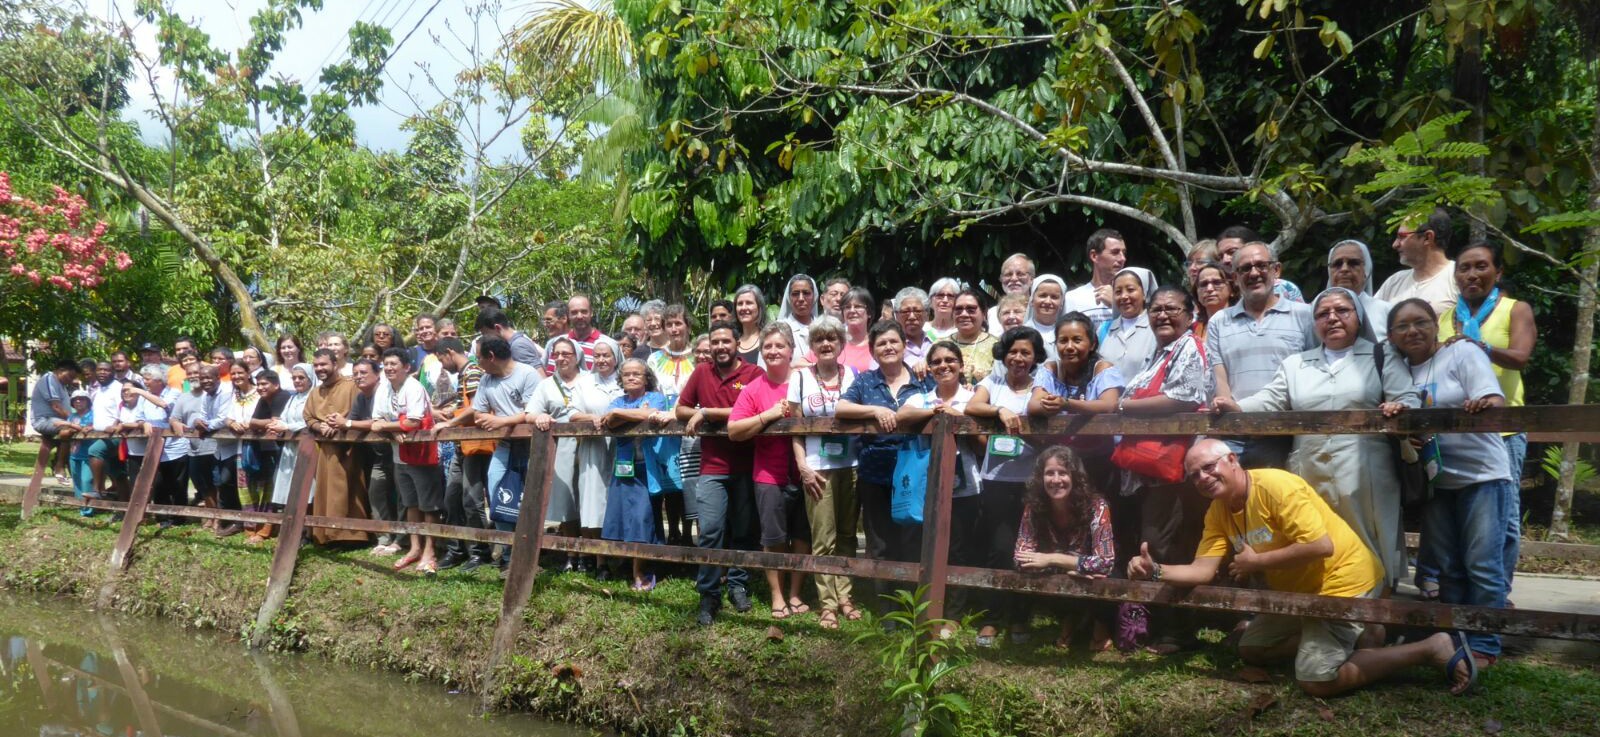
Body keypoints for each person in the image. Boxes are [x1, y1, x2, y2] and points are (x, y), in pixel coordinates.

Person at [1131, 440, 1478, 697]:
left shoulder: (1278, 486)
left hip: (1343, 581)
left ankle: (1431, 647)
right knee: (1251, 649)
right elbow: (1202, 570)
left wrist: (1257, 562)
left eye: (1210, 467)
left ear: (1232, 460)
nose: (1204, 478)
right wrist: (1156, 571)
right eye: (1195, 476)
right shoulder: (1218, 511)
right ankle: (1358, 638)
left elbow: (1320, 546)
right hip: (1298, 594)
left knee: (1316, 679)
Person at [1215, 288, 1418, 589]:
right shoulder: (1297, 364)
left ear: (1358, 317)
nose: (1332, 318)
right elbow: (1271, 399)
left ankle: (1373, 619)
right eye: (1323, 314)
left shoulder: (1381, 355)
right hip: (1310, 469)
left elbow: (1407, 398)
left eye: (1342, 311)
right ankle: (1321, 611)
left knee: (1370, 538)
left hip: (1365, 472)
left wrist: (1399, 408)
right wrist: (1238, 407)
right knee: (1314, 536)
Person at [1390, 298, 1512, 665]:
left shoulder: (1461, 354)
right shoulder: (1398, 371)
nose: (1412, 331)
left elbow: (1494, 399)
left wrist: (1480, 406)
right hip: (1438, 480)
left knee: (1483, 565)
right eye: (1402, 326)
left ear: (1435, 324)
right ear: (1392, 336)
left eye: (1421, 322)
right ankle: (1457, 638)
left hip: (1482, 475)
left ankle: (1486, 645)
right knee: (1449, 567)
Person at [1114, 285, 1212, 652]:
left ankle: (1177, 632)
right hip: (1150, 472)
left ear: (1190, 315)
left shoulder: (1188, 346)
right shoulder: (1160, 353)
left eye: (1172, 309)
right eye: (1156, 310)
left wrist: (1125, 406)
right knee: (1153, 543)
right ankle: (1156, 626)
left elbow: (1182, 396)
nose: (1163, 315)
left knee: (1164, 547)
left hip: (1172, 469)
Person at [1436, 242, 1536, 593]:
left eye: (1481, 267)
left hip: (1502, 432)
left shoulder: (1514, 309)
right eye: (1464, 268)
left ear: (1497, 272)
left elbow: (1521, 357)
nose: (1472, 275)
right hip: (1457, 436)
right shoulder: (1447, 318)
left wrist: (1479, 347)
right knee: (1463, 520)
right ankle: (1465, 594)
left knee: (1505, 519)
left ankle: (1499, 595)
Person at [836, 320, 934, 615]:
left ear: (905, 345)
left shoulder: (923, 379)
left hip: (914, 471)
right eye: (881, 343)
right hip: (875, 471)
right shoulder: (866, 381)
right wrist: (877, 410)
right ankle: (886, 608)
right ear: (873, 350)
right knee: (879, 540)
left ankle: (911, 605)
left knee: (912, 537)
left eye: (894, 341)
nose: (888, 347)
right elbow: (841, 408)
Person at [677, 320, 766, 626]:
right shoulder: (702, 372)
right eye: (715, 342)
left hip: (746, 465)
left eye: (725, 341)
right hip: (712, 467)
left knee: (743, 531)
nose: (720, 347)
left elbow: (754, 411)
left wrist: (707, 413)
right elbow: (680, 409)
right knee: (711, 530)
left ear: (737, 343)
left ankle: (738, 584)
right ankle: (709, 593)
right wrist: (697, 411)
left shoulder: (754, 374)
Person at [966, 326, 1047, 645]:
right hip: (996, 481)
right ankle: (992, 617)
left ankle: (1020, 617)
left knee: (1027, 551)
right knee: (998, 549)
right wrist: (1000, 410)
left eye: (1026, 352)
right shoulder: (993, 382)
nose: (1018, 358)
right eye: (1013, 351)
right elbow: (972, 407)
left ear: (1035, 357)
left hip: (1031, 482)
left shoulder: (1039, 385)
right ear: (1004, 353)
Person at [895, 341, 983, 634]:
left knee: (958, 549)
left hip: (966, 486)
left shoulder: (974, 398)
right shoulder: (922, 399)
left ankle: (953, 616)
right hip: (926, 490)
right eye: (937, 362)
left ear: (961, 364)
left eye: (950, 360)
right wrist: (937, 414)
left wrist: (964, 420)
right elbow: (901, 416)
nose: (944, 366)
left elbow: (985, 444)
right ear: (929, 368)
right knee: (920, 548)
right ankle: (920, 610)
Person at [1206, 241, 1316, 469]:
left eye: (1261, 265)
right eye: (1245, 268)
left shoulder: (1305, 316)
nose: (1254, 273)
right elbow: (1219, 376)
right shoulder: (1219, 321)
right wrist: (1234, 421)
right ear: (1235, 277)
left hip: (1286, 433)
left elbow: (1312, 374)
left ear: (1276, 270)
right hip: (1235, 435)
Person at [730, 323, 812, 619]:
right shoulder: (754, 389)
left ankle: (796, 592)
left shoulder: (807, 380)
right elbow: (734, 429)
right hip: (768, 474)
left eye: (780, 346)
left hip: (807, 472)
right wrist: (769, 415)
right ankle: (777, 595)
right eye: (768, 347)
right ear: (761, 353)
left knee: (803, 535)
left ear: (792, 350)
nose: (774, 351)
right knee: (773, 537)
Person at [439, 336, 541, 571]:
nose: (477, 361)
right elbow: (476, 409)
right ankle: (508, 553)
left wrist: (500, 420)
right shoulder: (486, 379)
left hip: (529, 446)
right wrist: (452, 424)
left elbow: (531, 411)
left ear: (491, 356)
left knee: (528, 501)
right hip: (504, 445)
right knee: (498, 496)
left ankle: (529, 555)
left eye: (479, 356)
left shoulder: (527, 374)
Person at [786, 316, 862, 629]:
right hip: (817, 468)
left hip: (851, 466)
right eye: (820, 339)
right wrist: (802, 466)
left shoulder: (853, 375)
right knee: (823, 539)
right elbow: (795, 428)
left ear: (841, 343)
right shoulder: (800, 378)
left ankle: (845, 596)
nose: (826, 344)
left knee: (847, 535)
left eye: (832, 338)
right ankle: (827, 603)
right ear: (813, 345)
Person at [1015, 447, 1116, 650]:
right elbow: (1020, 557)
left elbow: (1105, 562)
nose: (1056, 479)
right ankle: (1069, 620)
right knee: (1047, 576)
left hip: (1091, 574)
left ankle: (1100, 625)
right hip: (1066, 571)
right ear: (1040, 478)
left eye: (1063, 473)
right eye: (1049, 473)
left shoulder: (1097, 506)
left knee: (1103, 577)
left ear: (1075, 477)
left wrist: (1054, 559)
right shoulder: (1033, 507)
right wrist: (1069, 565)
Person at [598, 358, 674, 591]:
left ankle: (641, 571)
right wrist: (628, 413)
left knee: (643, 517)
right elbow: (608, 421)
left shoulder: (655, 397)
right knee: (623, 517)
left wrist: (620, 414)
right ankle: (629, 566)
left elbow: (651, 413)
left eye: (637, 374)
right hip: (624, 468)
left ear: (646, 378)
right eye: (627, 374)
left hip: (647, 468)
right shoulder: (617, 400)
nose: (631, 377)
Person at [525, 338, 598, 569]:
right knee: (566, 501)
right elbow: (529, 413)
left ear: (577, 356)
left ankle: (589, 553)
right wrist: (540, 417)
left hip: (591, 445)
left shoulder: (591, 380)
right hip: (562, 448)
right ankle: (571, 554)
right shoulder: (546, 385)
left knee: (589, 499)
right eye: (556, 353)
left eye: (566, 353)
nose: (561, 358)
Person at [1030, 311, 1124, 487]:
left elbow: (1108, 405)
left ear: (1092, 344)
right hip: (1058, 461)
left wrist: (1066, 403)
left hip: (1099, 460)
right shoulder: (1051, 368)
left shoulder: (1102, 368)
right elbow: (1034, 405)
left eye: (1077, 340)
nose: (1069, 346)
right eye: (1063, 341)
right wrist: (1050, 404)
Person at [371, 348, 443, 574]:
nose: (390, 368)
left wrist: (385, 426)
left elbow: (412, 422)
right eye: (386, 364)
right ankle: (414, 548)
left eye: (394, 364)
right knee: (410, 503)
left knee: (428, 505)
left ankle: (430, 552)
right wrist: (391, 431)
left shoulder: (413, 387)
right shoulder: (383, 389)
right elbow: (376, 418)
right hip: (399, 455)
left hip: (423, 454)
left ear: (406, 367)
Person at [333, 359, 403, 555]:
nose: (358, 376)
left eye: (363, 372)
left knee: (402, 497)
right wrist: (338, 423)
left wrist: (346, 423)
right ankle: (384, 538)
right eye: (355, 373)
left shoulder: (385, 391)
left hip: (398, 453)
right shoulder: (361, 397)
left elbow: (377, 421)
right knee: (376, 493)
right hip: (379, 457)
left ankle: (401, 539)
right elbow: (354, 420)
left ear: (377, 374)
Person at [302, 348, 369, 546]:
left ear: (335, 364)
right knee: (325, 491)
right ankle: (327, 535)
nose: (320, 368)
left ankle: (352, 536)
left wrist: (341, 424)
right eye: (316, 365)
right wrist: (319, 426)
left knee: (348, 490)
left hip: (348, 449)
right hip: (324, 451)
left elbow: (362, 411)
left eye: (323, 364)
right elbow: (308, 417)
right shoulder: (315, 392)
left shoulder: (351, 386)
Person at [573, 337, 627, 574]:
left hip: (621, 447)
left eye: (607, 355)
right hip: (593, 447)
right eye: (598, 355)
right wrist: (592, 418)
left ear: (616, 357)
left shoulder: (625, 379)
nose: (602, 359)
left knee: (620, 497)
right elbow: (573, 414)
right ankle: (599, 559)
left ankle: (623, 556)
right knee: (592, 500)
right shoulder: (584, 382)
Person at [646, 305, 696, 545]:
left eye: (679, 323)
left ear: (688, 325)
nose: (674, 329)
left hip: (692, 424)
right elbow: (651, 391)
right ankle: (673, 531)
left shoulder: (700, 355)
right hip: (664, 426)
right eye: (670, 324)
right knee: (671, 480)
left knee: (690, 478)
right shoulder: (654, 359)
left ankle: (689, 532)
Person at [117, 367, 189, 527]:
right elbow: (140, 417)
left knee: (177, 484)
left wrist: (140, 391)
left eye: (147, 379)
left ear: (158, 380)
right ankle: (162, 517)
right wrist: (144, 423)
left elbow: (164, 405)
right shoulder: (144, 398)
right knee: (159, 484)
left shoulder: (174, 393)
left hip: (175, 447)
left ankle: (179, 518)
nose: (144, 382)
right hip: (155, 447)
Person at [169, 364, 237, 534]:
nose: (200, 379)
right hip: (195, 446)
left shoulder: (224, 392)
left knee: (218, 482)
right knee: (202, 484)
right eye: (194, 375)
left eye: (206, 376)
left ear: (217, 377)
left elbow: (222, 419)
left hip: (215, 445)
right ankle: (211, 515)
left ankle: (219, 518)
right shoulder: (188, 397)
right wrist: (192, 423)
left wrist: (204, 425)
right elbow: (180, 418)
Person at [266, 364, 319, 541]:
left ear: (310, 378)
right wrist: (277, 426)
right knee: (291, 489)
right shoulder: (293, 397)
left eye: (301, 378)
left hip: (306, 447)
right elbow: (285, 418)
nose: (297, 381)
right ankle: (294, 528)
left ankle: (309, 531)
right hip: (290, 448)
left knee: (307, 488)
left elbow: (311, 421)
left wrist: (287, 427)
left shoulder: (314, 396)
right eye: (294, 378)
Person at [1376, 207, 1459, 316]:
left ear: (1427, 238)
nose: (1395, 244)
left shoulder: (1458, 278)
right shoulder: (1394, 282)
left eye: (1402, 237)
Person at [1099, 267, 1157, 383]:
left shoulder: (1156, 328)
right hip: (1107, 400)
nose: (1124, 296)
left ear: (1144, 293)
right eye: (1118, 291)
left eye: (1130, 290)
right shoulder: (1104, 329)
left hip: (1143, 400)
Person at [1327, 239, 1392, 342]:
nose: (1344, 269)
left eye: (1353, 263)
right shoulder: (1315, 314)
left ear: (1366, 270)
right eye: (1337, 264)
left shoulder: (1387, 312)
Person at [1062, 229, 1127, 330]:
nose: (1122, 258)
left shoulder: (1131, 297)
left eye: (1124, 253)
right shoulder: (1073, 298)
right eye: (1115, 252)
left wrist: (1115, 305)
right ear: (1094, 256)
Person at [29, 359, 80, 484]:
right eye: (69, 376)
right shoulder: (49, 379)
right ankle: (59, 465)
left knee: (75, 434)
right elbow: (56, 407)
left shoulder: (62, 385)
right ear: (60, 370)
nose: (70, 380)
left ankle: (72, 469)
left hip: (57, 420)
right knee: (67, 431)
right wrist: (74, 421)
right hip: (44, 420)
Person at [474, 307, 547, 373]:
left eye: (486, 334)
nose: (486, 339)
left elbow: (539, 377)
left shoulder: (518, 346)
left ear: (497, 328)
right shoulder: (512, 344)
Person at [949, 289, 997, 386]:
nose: (964, 314)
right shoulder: (940, 345)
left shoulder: (996, 345)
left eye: (971, 310)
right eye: (958, 310)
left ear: (984, 313)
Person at [986, 253, 1035, 334]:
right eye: (1008, 274)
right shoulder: (992, 313)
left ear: (1032, 279)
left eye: (1020, 274)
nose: (1014, 278)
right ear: (1001, 279)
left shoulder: (1039, 311)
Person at [834, 287, 878, 372]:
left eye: (858, 306)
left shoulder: (877, 343)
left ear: (869, 312)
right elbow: (801, 364)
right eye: (847, 307)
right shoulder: (834, 341)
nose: (852, 310)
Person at [559, 295, 607, 371]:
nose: (579, 316)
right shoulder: (557, 344)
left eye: (584, 312)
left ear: (591, 313)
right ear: (568, 315)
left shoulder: (606, 344)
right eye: (574, 312)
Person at [65, 390, 94, 514]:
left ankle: (89, 509)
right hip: (74, 453)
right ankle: (80, 506)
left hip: (89, 454)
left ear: (87, 401)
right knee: (76, 481)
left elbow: (93, 427)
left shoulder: (93, 415)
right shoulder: (72, 417)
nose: (78, 401)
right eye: (75, 399)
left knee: (86, 480)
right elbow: (65, 430)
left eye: (81, 399)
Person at [1026, 275, 1068, 358]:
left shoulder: (1068, 335)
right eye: (1042, 295)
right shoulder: (1019, 335)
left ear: (1062, 303)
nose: (1048, 301)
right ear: (1031, 300)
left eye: (1054, 297)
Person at [1191, 261, 1233, 342]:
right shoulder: (1192, 329)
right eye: (1203, 284)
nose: (1209, 289)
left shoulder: (1242, 324)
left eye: (1217, 283)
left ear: (1232, 290)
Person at [894, 287, 934, 370]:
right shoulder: (891, 346)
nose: (912, 317)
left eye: (917, 311)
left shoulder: (936, 341)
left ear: (927, 314)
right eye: (906, 312)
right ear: (897, 315)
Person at [777, 274, 820, 350]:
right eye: (795, 294)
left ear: (814, 296)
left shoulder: (824, 327)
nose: (801, 299)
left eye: (806, 293)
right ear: (789, 297)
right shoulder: (778, 330)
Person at [732, 284, 768, 366]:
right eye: (740, 304)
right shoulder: (731, 340)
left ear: (759, 307)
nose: (744, 308)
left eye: (749, 303)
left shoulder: (768, 339)